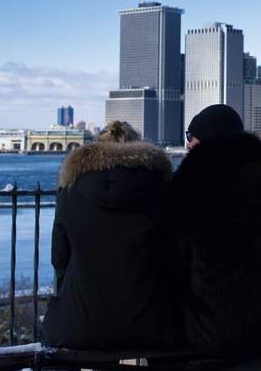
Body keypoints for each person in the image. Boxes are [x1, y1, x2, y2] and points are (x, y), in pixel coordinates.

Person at [173, 105, 261, 360]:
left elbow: (174, 260)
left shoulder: (190, 183)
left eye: (191, 137)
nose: (187, 144)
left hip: (210, 331)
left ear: (208, 139)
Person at [43, 120, 179, 350]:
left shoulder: (71, 190)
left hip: (79, 324)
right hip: (152, 322)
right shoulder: (161, 187)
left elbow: (59, 257)